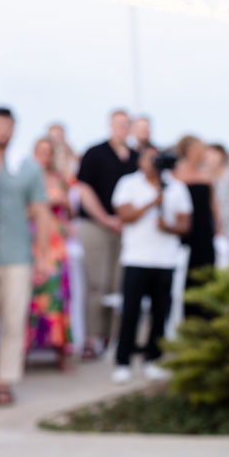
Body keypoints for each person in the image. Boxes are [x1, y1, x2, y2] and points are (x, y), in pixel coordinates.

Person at [0, 107, 51, 406]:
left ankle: (4, 381)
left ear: (14, 129)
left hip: (18, 254)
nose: (3, 131)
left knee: (14, 320)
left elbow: (41, 211)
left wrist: (43, 254)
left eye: (8, 126)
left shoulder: (28, 167)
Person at [110, 143, 192, 384]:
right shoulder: (128, 184)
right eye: (148, 158)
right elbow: (124, 215)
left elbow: (185, 224)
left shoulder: (176, 187)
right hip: (136, 258)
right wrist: (152, 202)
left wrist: (168, 227)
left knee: (160, 313)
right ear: (140, 161)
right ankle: (123, 361)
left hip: (165, 260)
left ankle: (153, 359)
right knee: (130, 312)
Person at [75, 110, 138, 358]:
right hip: (96, 225)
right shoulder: (95, 153)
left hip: (126, 228)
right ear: (110, 126)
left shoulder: (135, 157)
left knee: (118, 283)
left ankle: (114, 336)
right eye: (118, 124)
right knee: (97, 283)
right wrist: (106, 219)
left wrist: (124, 219)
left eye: (126, 124)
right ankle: (92, 337)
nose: (122, 128)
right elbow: (84, 189)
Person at [27, 136, 73, 368]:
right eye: (41, 151)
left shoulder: (59, 179)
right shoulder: (27, 178)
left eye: (48, 151)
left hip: (56, 243)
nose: (45, 156)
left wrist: (63, 203)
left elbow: (70, 213)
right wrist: (43, 205)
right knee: (33, 296)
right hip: (34, 240)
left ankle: (60, 350)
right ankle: (26, 349)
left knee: (58, 295)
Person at [173, 135, 219, 306]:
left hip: (204, 230)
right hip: (185, 231)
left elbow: (213, 203)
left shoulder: (205, 174)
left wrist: (218, 226)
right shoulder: (175, 173)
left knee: (205, 271)